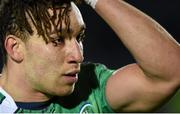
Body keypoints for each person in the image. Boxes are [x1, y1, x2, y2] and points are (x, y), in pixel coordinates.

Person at [0, 0, 179, 113]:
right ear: (15, 48)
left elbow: (172, 72)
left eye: (80, 38)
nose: (78, 55)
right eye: (58, 40)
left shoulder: (90, 88)